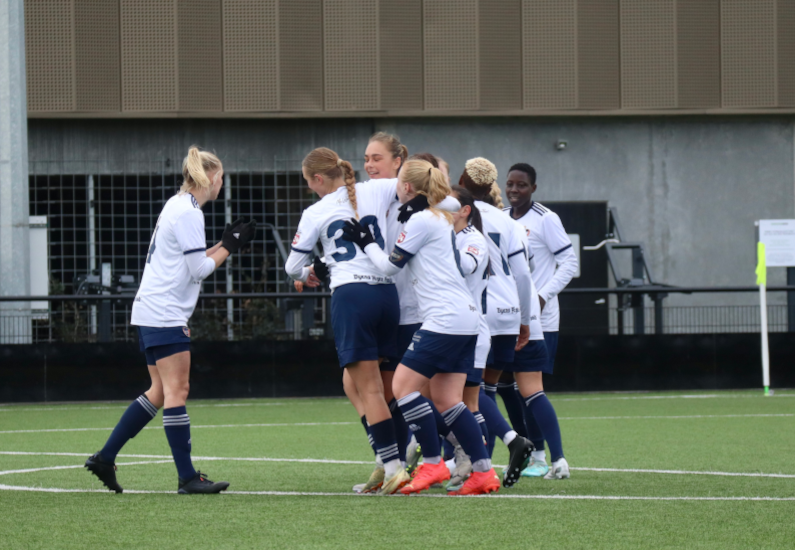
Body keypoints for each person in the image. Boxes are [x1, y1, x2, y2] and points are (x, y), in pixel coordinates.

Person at [85, 146, 257, 494]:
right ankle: (187, 477)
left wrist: (223, 243)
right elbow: (199, 270)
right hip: (165, 312)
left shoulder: (177, 204)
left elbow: (187, 262)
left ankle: (104, 458)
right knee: (178, 390)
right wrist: (230, 246)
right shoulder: (190, 213)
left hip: (151, 309)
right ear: (210, 178)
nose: (221, 186)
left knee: (161, 391)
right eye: (221, 179)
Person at [342, 159, 500, 496]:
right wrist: (419, 202)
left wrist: (367, 240)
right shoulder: (441, 214)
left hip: (444, 318)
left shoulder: (420, 221)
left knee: (402, 387)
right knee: (447, 399)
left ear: (408, 187)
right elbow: (452, 202)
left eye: (399, 182)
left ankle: (432, 463)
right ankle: (484, 471)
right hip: (467, 317)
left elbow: (387, 268)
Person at [285, 147, 411, 495]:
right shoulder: (378, 188)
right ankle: (393, 462)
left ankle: (394, 467)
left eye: (309, 182)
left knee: (365, 389)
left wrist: (313, 269)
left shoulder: (315, 211)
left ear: (319, 178)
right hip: (387, 295)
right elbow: (414, 185)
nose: (311, 189)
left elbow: (292, 268)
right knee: (382, 390)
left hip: (352, 297)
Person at [459, 157, 542, 488]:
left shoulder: (461, 215)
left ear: (463, 182)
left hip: (478, 309)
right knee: (485, 391)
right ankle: (482, 464)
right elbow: (523, 273)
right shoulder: (507, 220)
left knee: (468, 393)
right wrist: (524, 317)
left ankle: (494, 452)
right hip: (508, 311)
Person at [505, 162, 577, 480]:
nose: (514, 190)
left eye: (521, 185)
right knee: (512, 387)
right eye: (510, 184)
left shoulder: (546, 219)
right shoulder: (503, 220)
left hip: (541, 320)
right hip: (510, 318)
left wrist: (544, 296)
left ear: (533, 188)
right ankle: (532, 451)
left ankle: (540, 455)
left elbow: (569, 262)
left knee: (530, 388)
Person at [444, 185, 490, 492]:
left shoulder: (473, 239)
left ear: (465, 211)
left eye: (449, 204)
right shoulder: (451, 235)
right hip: (449, 327)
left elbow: (465, 266)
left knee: (468, 403)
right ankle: (468, 462)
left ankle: (480, 465)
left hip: (470, 330)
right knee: (447, 400)